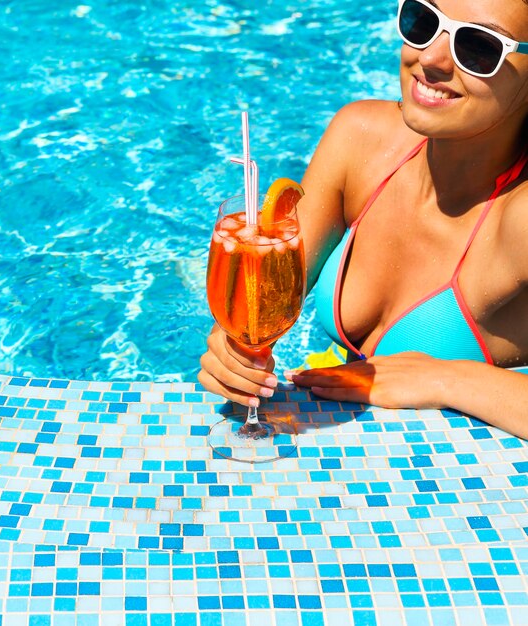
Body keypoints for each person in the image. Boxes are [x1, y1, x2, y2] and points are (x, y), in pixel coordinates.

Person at [198, 0, 528, 440]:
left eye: (479, 47)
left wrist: (448, 380)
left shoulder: (519, 218)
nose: (429, 58)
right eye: (424, 21)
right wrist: (232, 350)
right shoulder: (360, 141)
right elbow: (265, 300)